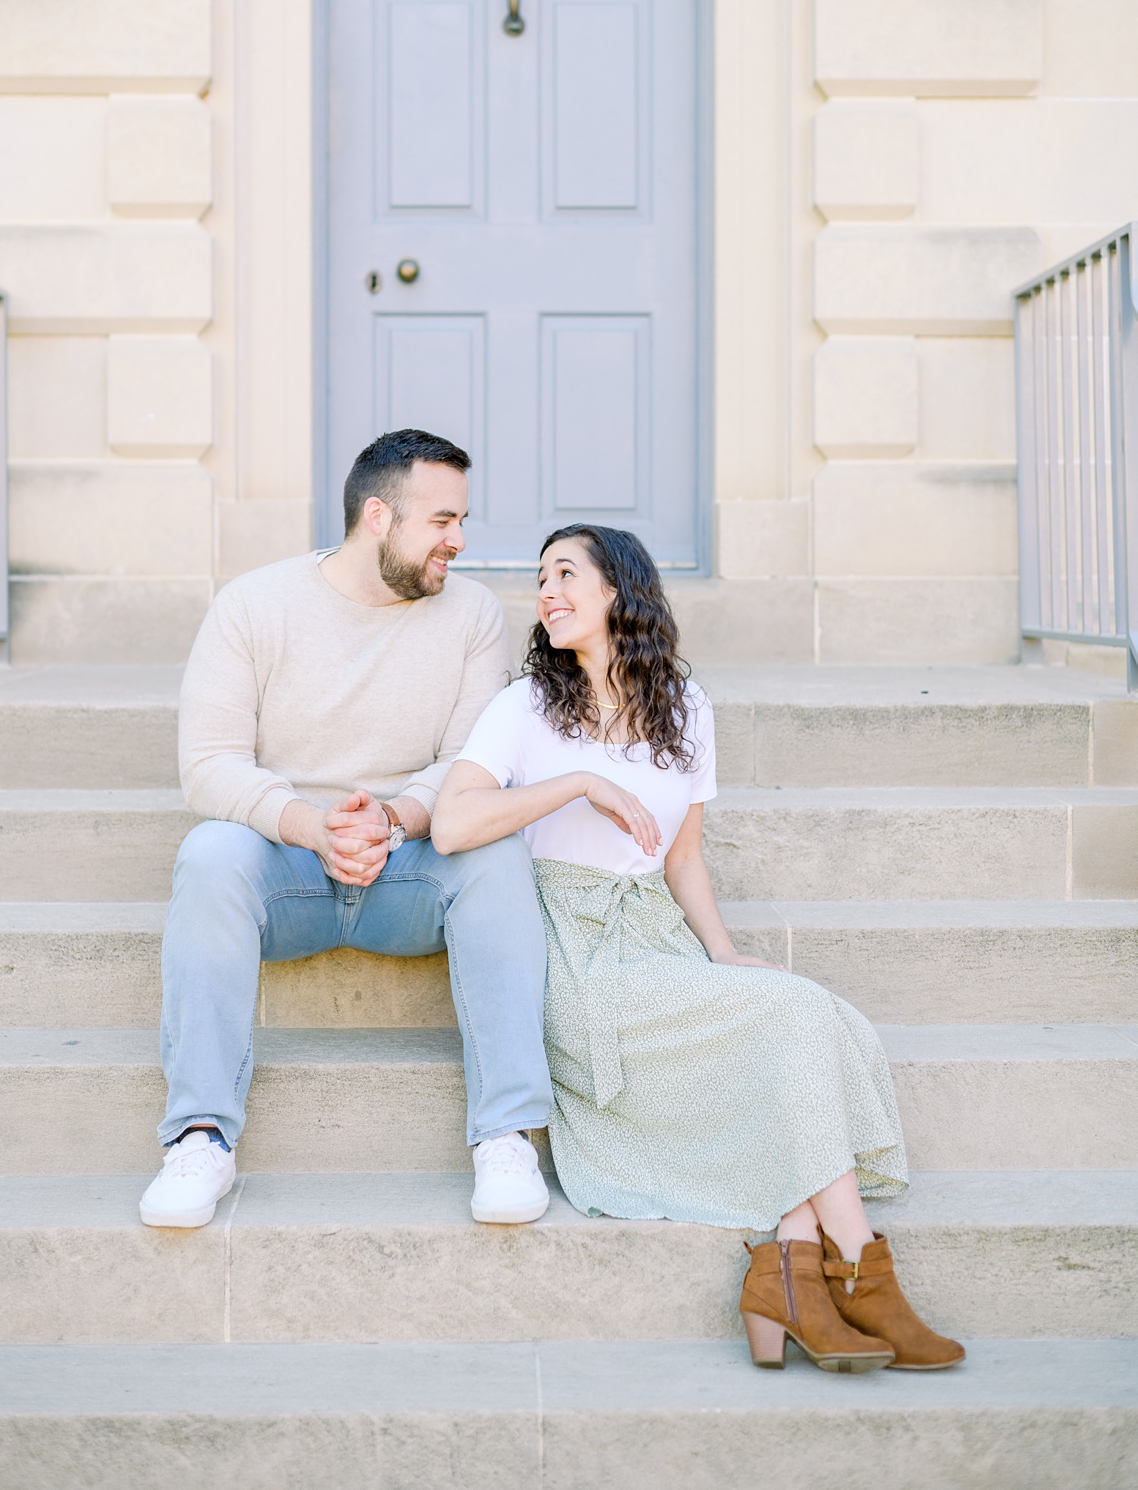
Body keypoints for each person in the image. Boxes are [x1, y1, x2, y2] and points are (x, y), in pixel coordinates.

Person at [431, 522, 962, 1374]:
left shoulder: (686, 708)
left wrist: (720, 951)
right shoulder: (525, 706)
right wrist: (578, 782)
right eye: (540, 579)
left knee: (806, 1010)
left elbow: (682, 856)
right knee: (792, 1018)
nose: (546, 593)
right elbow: (453, 824)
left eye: (566, 573)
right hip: (573, 955)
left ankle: (790, 1270)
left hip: (658, 938)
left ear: (619, 591)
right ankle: (859, 1269)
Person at [143, 428, 556, 1230]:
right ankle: (200, 1137)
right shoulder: (254, 606)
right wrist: (309, 824)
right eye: (441, 521)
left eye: (461, 520)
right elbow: (209, 765)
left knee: (499, 853)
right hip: (288, 868)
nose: (459, 541)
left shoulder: (471, 614)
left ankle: (507, 1132)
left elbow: (474, 761)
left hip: (413, 867)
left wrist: (397, 819)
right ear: (378, 516)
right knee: (209, 854)